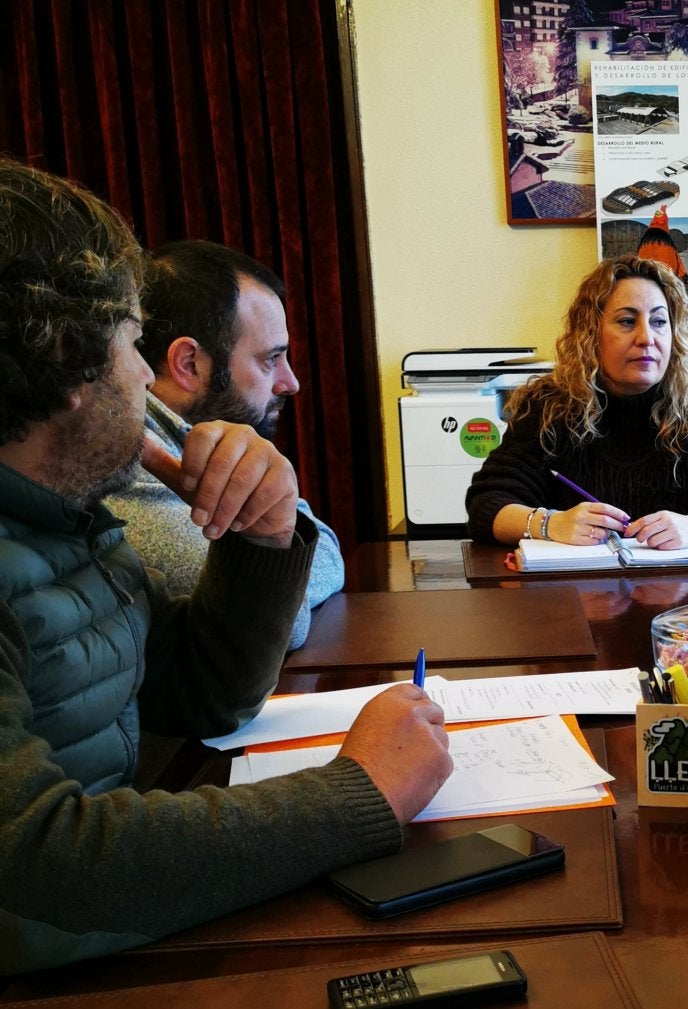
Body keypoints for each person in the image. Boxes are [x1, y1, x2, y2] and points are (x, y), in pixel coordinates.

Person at [0, 160, 452, 973]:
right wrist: (359, 793)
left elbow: (203, 689)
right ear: (65, 357)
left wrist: (264, 536)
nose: (144, 376)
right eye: (128, 343)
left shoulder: (75, 522)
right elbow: (42, 858)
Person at [105, 240, 344, 649]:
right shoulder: (128, 457)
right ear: (189, 363)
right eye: (271, 359)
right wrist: (280, 550)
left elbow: (325, 547)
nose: (291, 383)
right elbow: (280, 620)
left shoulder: (198, 438)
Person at [466, 255, 688, 548]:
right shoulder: (549, 406)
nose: (647, 338)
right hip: (572, 598)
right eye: (627, 321)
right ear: (591, 334)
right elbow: (487, 503)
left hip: (682, 598)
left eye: (659, 322)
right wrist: (549, 523)